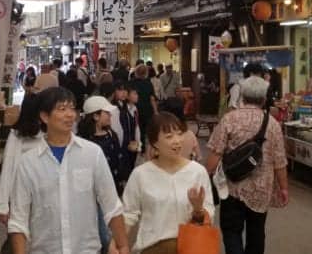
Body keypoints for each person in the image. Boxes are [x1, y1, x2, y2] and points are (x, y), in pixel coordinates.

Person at [7, 87, 131, 254]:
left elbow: (111, 205)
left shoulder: (92, 153)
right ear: (44, 116)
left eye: (72, 108)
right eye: (62, 109)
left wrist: (123, 245)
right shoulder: (29, 163)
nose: (70, 114)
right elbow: (18, 220)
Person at [206, 75, 288, 254]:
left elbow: (215, 154)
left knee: (231, 230)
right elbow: (280, 161)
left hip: (232, 186)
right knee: (257, 232)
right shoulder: (273, 124)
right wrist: (284, 188)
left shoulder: (230, 119)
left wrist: (206, 176)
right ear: (264, 99)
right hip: (262, 189)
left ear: (242, 96)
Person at [120, 112, 214, 254]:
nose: (177, 140)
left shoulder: (197, 172)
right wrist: (118, 243)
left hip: (190, 247)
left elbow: (208, 214)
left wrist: (198, 209)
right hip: (153, 248)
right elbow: (128, 214)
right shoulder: (141, 174)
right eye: (169, 136)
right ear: (154, 143)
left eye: (179, 134)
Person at [0, 93, 44, 252]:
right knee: (16, 239)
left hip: (43, 196)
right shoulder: (16, 134)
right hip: (19, 195)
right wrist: (3, 206)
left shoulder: (49, 133)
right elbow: (8, 169)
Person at [78, 96, 127, 194]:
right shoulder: (83, 141)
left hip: (113, 186)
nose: (110, 116)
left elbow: (119, 157)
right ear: (96, 116)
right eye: (107, 113)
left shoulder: (111, 134)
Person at [131, 65, 158, 153]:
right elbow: (152, 98)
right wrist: (156, 111)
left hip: (136, 108)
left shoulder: (132, 82)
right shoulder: (148, 83)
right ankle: (151, 148)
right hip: (147, 109)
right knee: (149, 129)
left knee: (138, 128)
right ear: (146, 73)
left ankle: (140, 147)